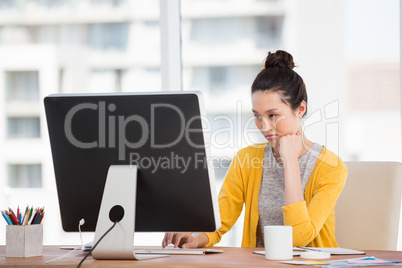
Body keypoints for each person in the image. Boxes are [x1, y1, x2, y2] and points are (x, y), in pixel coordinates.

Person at [162, 50, 348, 248]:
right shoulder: (247, 159)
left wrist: (291, 162)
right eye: (257, 116)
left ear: (300, 109)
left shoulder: (331, 168)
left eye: (273, 115)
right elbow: (221, 220)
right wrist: (197, 237)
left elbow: (298, 238)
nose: (264, 127)